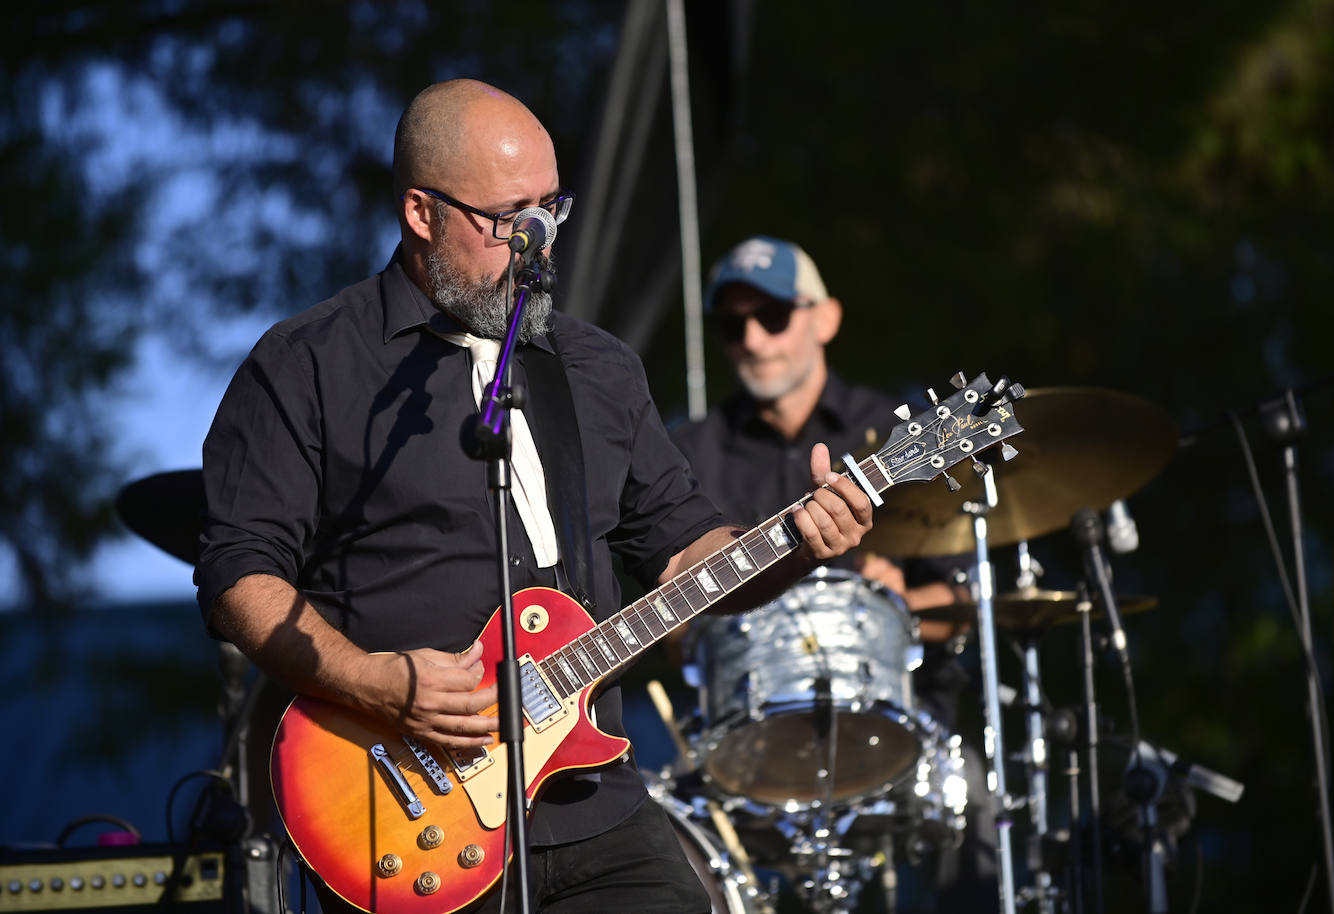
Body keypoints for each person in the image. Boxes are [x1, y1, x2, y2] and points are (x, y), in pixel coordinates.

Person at [193, 81, 874, 914]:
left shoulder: (598, 368)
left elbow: (686, 554)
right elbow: (237, 575)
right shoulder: (308, 364)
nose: (537, 244)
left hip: (594, 805)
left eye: (552, 210)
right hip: (407, 811)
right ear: (421, 213)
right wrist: (375, 682)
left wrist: (797, 547)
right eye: (510, 219)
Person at [670, 236, 1000, 912]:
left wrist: (901, 601)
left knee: (977, 808)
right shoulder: (688, 450)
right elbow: (667, 614)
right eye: (733, 324)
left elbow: (972, 596)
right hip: (741, 751)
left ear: (825, 318)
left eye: (774, 316)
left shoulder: (890, 431)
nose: (754, 340)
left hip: (901, 736)